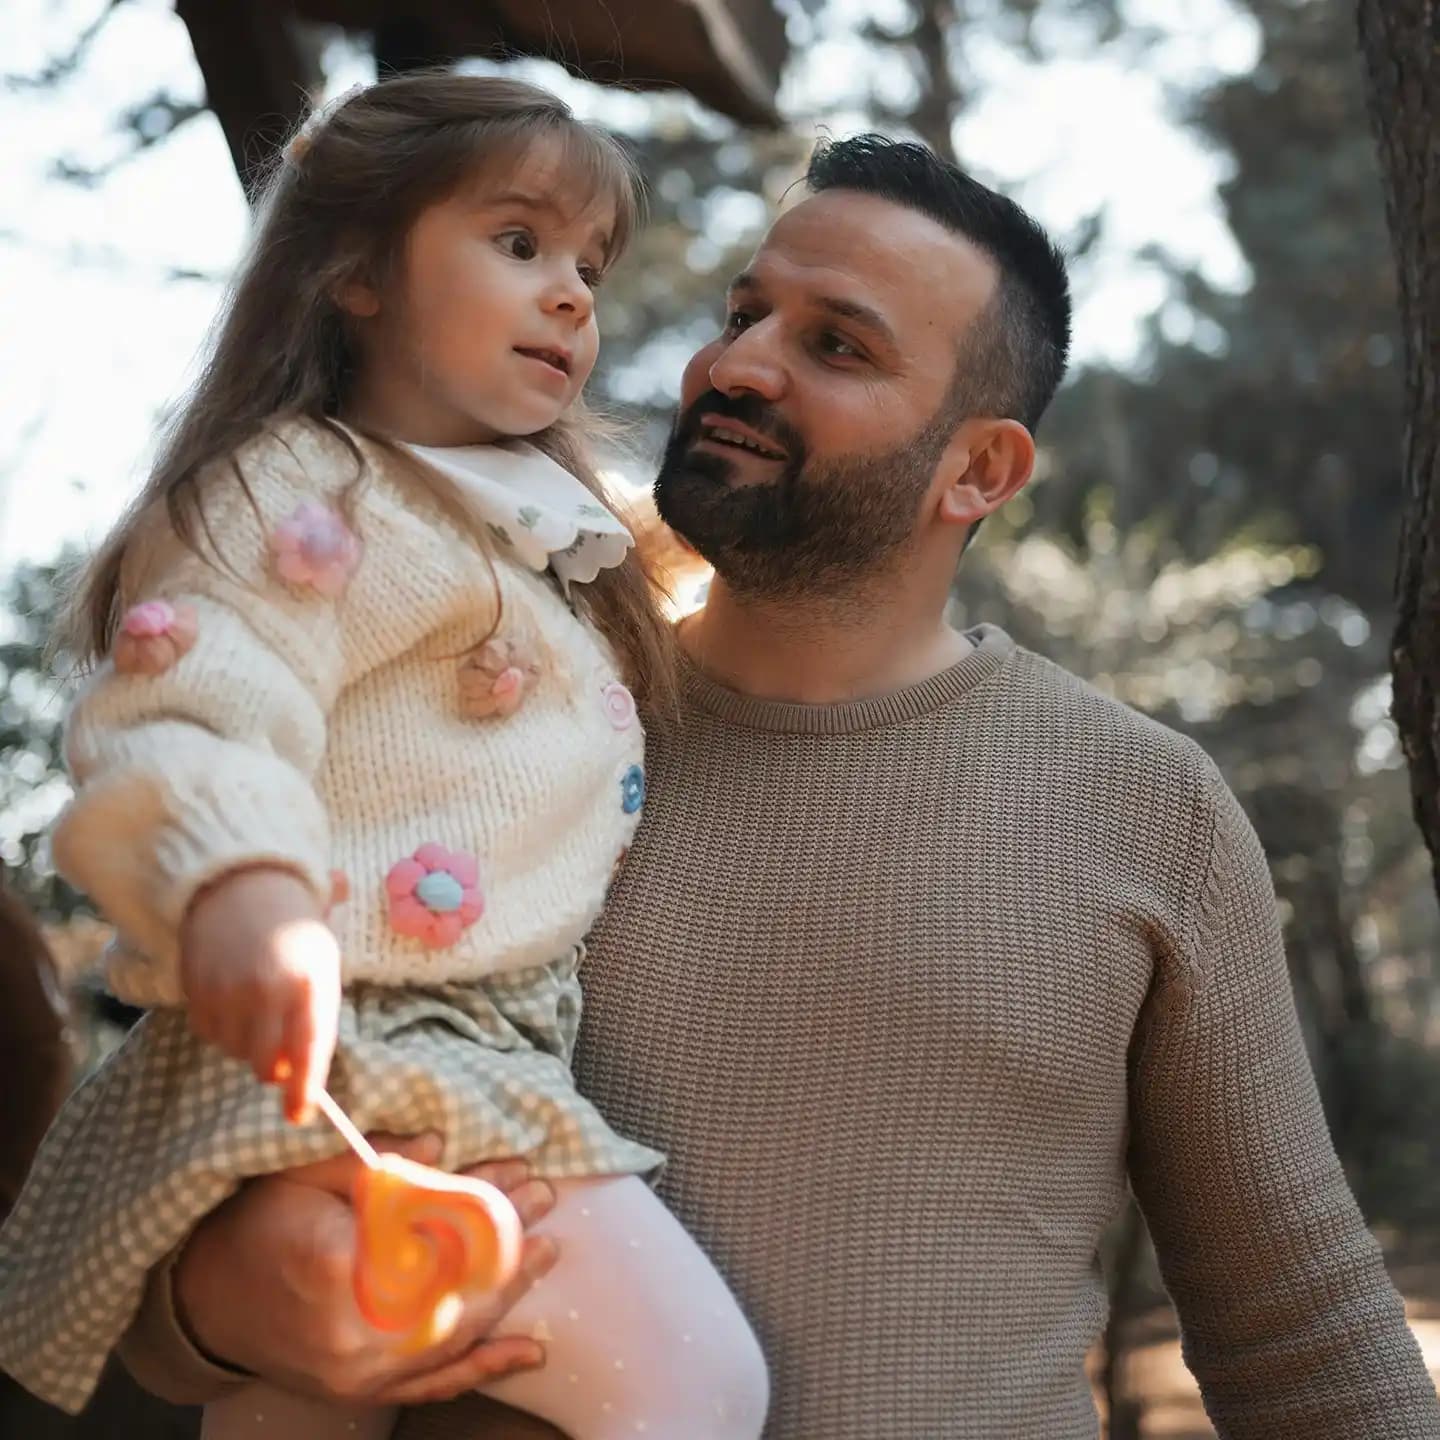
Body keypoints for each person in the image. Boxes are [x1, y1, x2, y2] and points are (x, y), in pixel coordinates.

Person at [119, 135, 1439, 1439]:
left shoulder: (1147, 808)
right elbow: (150, 1184)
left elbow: (1302, 1331)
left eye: (835, 345)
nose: (737, 364)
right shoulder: (481, 724)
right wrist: (232, 1301)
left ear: (979, 470)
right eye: (745, 312)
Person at [0, 73, 770, 1440]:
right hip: (366, 1039)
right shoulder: (296, 492)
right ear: (351, 268)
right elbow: (200, 703)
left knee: (305, 1412)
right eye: (521, 243)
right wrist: (243, 886)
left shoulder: (530, 527)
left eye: (589, 265)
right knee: (695, 1385)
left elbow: (653, 582)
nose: (577, 295)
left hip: (470, 1047)